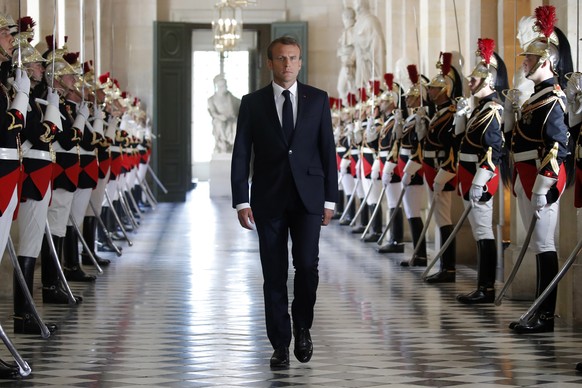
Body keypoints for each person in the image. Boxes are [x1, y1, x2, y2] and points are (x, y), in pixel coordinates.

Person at [231, 36, 338, 368]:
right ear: (270, 63)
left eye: (293, 58)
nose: (287, 64)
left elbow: (327, 150)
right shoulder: (252, 102)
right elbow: (241, 154)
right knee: (274, 274)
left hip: (309, 197)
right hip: (268, 197)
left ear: (301, 62)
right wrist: (240, 201)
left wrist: (330, 199)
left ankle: (302, 325)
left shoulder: (318, 100)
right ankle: (279, 342)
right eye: (281, 59)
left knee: (307, 266)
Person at [505, 5, 572, 334]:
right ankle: (537, 308)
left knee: (546, 246)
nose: (525, 63)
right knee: (537, 246)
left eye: (529, 59)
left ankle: (545, 315)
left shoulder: (554, 99)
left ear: (545, 61)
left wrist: (544, 185)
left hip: (542, 182)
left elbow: (557, 146)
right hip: (526, 179)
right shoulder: (535, 99)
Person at [12, 16, 60, 334]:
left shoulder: (33, 98)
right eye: (38, 66)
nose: (42, 70)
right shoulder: (25, 98)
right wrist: (49, 118)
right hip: (30, 173)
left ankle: (27, 314)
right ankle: (23, 317)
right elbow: (39, 133)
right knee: (27, 245)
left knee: (31, 244)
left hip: (42, 172)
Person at [455, 39, 508, 302]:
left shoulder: (493, 110)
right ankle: (482, 286)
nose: (470, 83)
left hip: (481, 178)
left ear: (488, 80)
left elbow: (492, 150)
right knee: (479, 231)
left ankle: (486, 288)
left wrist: (479, 180)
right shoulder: (479, 110)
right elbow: (462, 140)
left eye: (475, 80)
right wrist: (460, 116)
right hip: (469, 175)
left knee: (484, 231)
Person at [422, 52, 463, 283]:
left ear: (444, 90)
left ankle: (449, 268)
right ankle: (444, 265)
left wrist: (444, 174)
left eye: (433, 89)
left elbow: (452, 150)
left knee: (444, 217)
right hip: (431, 168)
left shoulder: (451, 114)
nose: (429, 92)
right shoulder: (438, 113)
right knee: (439, 218)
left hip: (441, 170)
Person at [398, 65, 432, 267]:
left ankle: (421, 255)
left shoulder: (422, 118)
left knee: (413, 211)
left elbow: (420, 147)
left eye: (411, 97)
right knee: (410, 211)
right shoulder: (412, 117)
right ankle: (418, 254)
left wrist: (410, 170)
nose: (407, 100)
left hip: (414, 169)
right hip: (406, 166)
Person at [352, 0, 385, 89]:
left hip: (368, 62)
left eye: (355, 2)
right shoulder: (359, 22)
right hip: (361, 62)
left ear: (360, 4)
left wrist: (368, 56)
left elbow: (377, 44)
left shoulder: (371, 21)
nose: (353, 5)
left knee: (368, 87)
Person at [207, 74, 240, 154]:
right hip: (219, 119)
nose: (224, 87)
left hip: (231, 119)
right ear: (217, 86)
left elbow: (240, 104)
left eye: (225, 85)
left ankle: (232, 145)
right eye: (222, 86)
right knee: (219, 124)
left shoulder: (230, 96)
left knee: (236, 124)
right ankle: (222, 145)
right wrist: (220, 117)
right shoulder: (211, 99)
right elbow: (213, 112)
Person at [336, 6, 356, 101]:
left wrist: (351, 60)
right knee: (343, 88)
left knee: (348, 87)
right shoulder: (347, 31)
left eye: (344, 18)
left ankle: (350, 109)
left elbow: (357, 48)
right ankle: (347, 109)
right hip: (345, 63)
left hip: (349, 64)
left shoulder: (352, 31)